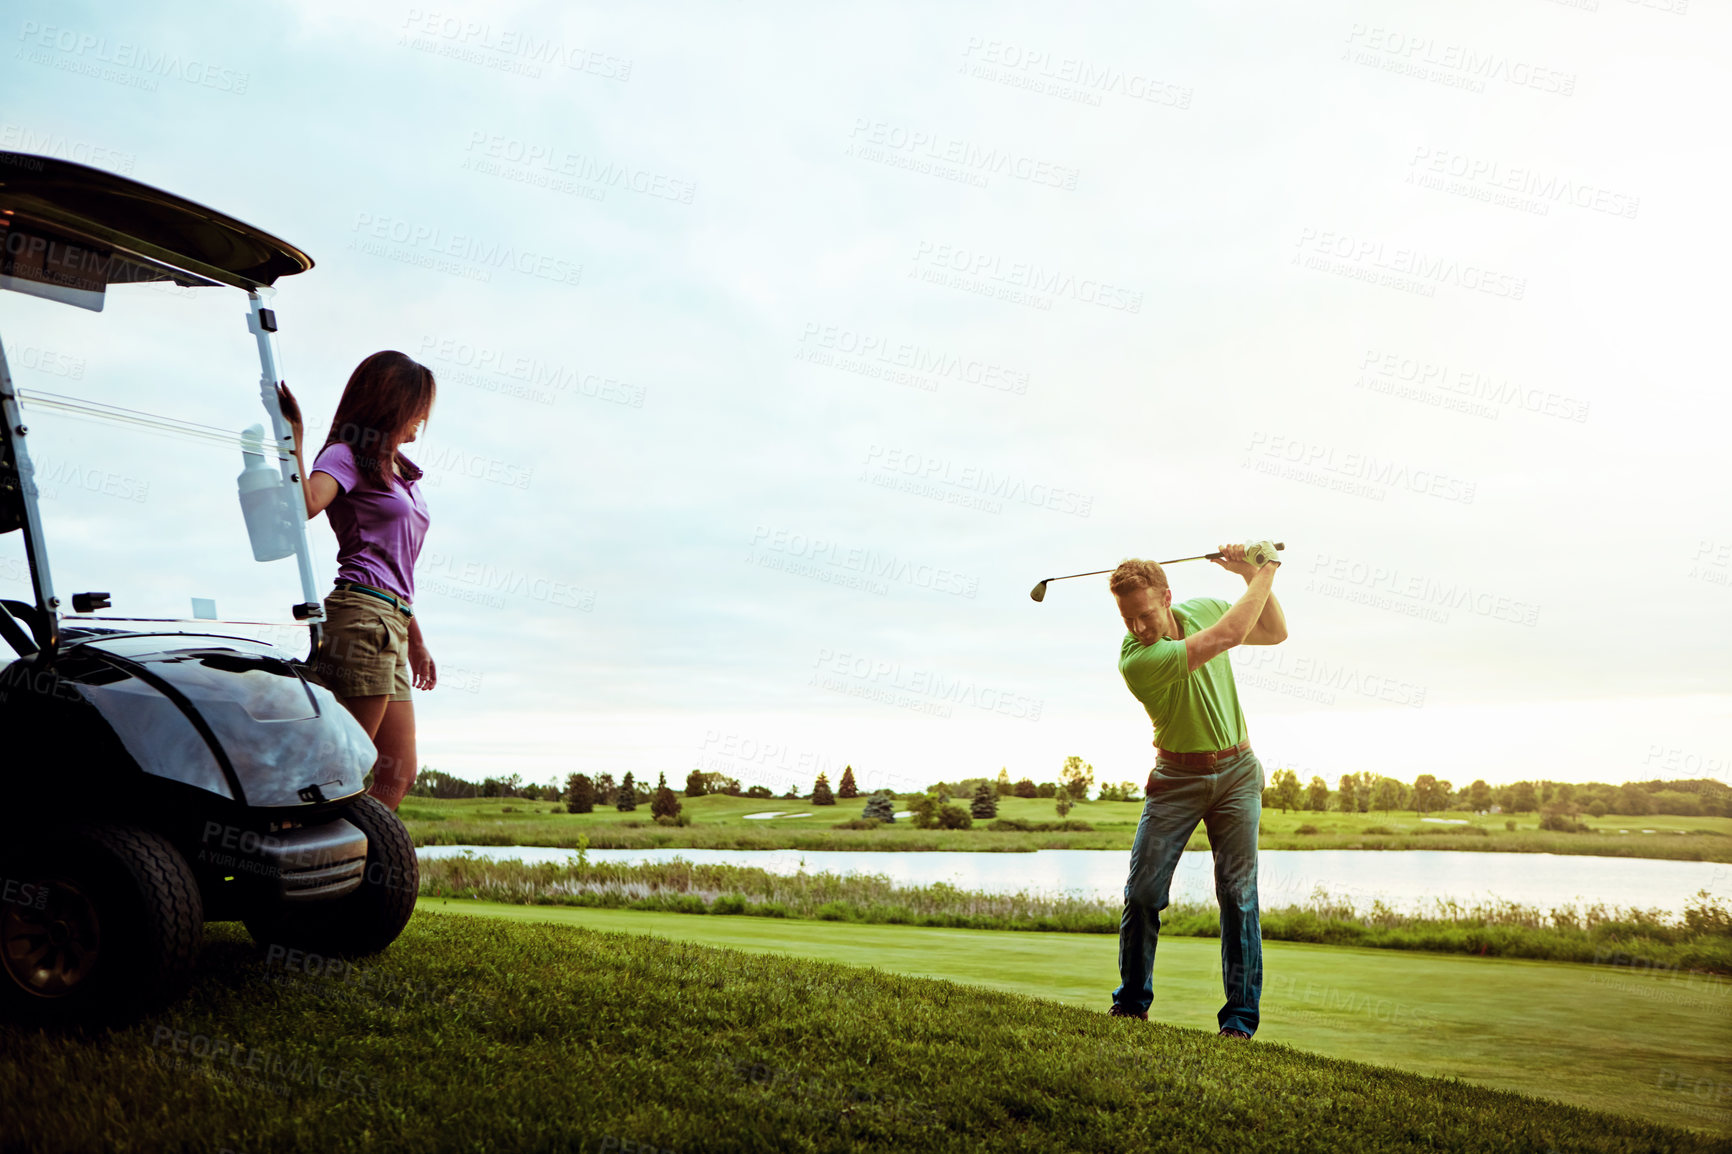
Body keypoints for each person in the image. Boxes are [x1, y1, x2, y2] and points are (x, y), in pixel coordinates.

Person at [1106, 540, 1286, 1038]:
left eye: (1144, 614)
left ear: (1167, 597)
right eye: (1128, 620)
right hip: (1176, 779)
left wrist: (1250, 580)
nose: (1139, 628)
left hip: (1237, 773)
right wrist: (1263, 568)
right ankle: (1132, 1002)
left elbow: (1273, 631)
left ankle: (1239, 1024)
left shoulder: (1201, 609)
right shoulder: (1139, 659)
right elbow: (1229, 634)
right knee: (1143, 893)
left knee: (1237, 895)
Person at [275, 351, 437, 810]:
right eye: (414, 414)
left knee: (398, 771)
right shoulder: (346, 456)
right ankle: (305, 858)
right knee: (342, 766)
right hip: (361, 618)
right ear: (390, 405)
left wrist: (416, 639)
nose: (418, 425)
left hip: (395, 622)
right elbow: (307, 503)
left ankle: (361, 869)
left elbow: (397, 567)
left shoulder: (400, 471)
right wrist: (295, 437)